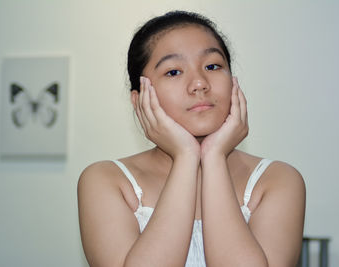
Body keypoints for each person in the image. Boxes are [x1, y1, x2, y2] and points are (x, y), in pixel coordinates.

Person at [77, 10, 306, 267]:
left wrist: (214, 157)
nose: (199, 83)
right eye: (174, 72)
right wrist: (186, 156)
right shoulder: (106, 180)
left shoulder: (277, 180)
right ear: (139, 98)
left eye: (212, 66)